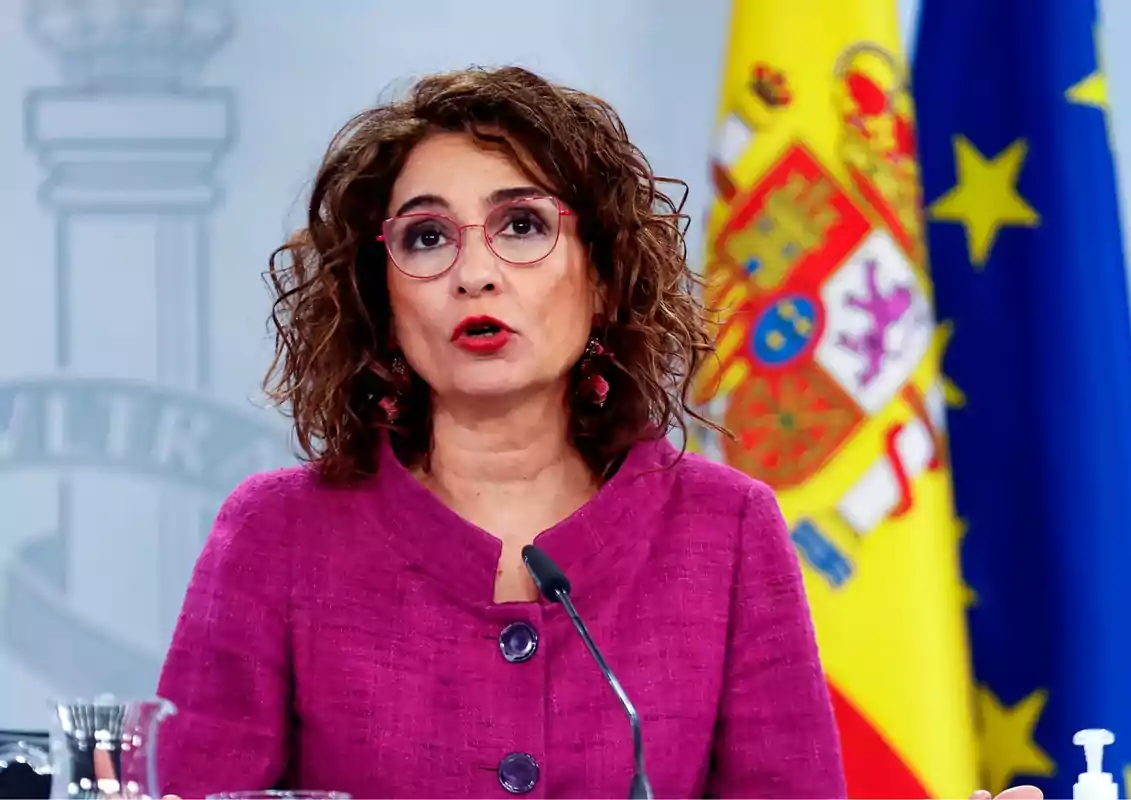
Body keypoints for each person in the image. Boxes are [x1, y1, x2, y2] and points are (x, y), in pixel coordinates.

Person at [153, 65, 1036, 800]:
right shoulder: (277, 534)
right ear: (383, 301)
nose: (474, 274)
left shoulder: (725, 531)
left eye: (523, 226)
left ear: (606, 278)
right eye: (426, 238)